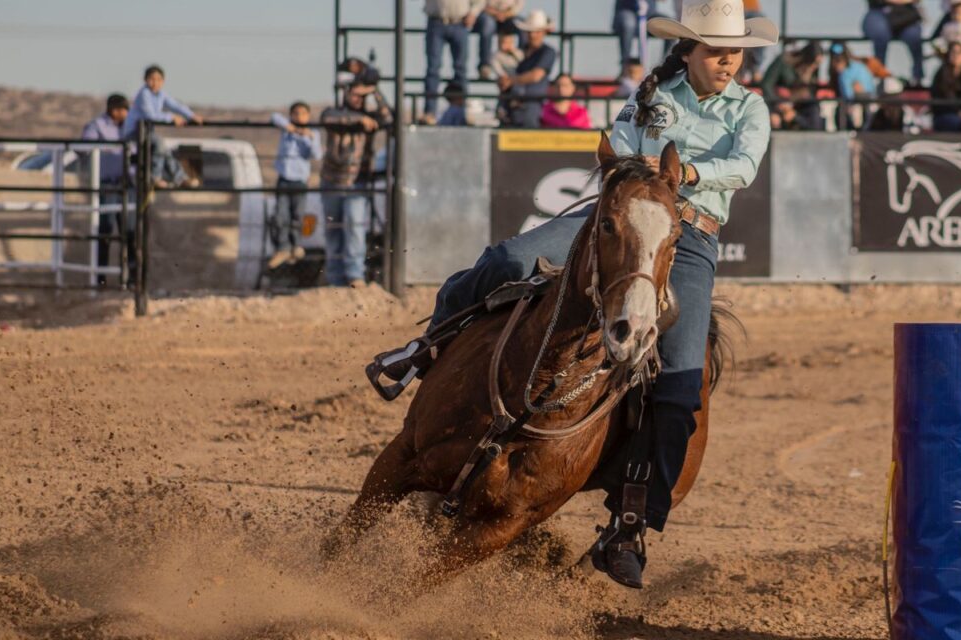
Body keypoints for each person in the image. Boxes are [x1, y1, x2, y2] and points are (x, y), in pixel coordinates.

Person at [369, 0, 777, 590]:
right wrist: (640, 176)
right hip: (619, 212)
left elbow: (743, 166)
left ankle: (630, 522)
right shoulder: (653, 93)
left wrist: (685, 175)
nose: (728, 61)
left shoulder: (750, 108)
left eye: (735, 51)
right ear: (688, 50)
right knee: (507, 259)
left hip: (687, 238)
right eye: (716, 50)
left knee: (682, 380)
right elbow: (616, 143)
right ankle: (426, 347)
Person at [319, 82, 392, 288]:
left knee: (354, 227)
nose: (357, 99)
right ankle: (335, 278)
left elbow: (388, 118)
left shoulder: (373, 117)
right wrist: (361, 119)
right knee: (333, 228)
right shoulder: (335, 114)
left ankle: (354, 275)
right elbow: (328, 118)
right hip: (333, 180)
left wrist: (374, 91)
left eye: (362, 96)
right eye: (354, 94)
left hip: (358, 182)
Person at [121, 65, 202, 189]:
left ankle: (180, 178)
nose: (155, 83)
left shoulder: (161, 95)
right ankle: (155, 177)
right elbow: (151, 115)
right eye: (152, 79)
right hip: (134, 131)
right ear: (145, 80)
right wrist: (171, 117)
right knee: (159, 143)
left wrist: (191, 116)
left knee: (164, 150)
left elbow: (176, 105)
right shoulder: (144, 94)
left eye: (158, 80)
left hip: (146, 131)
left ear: (163, 81)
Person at [268, 102, 323, 269]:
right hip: (284, 178)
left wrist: (308, 137)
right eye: (296, 113)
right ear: (291, 115)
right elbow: (274, 117)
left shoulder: (312, 133)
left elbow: (317, 154)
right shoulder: (287, 130)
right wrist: (290, 127)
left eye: (303, 114)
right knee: (280, 215)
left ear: (308, 116)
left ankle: (296, 246)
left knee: (297, 215)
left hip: (300, 180)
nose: (299, 117)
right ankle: (283, 247)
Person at [82, 94, 131, 282]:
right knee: (105, 230)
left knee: (130, 233)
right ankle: (100, 278)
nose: (124, 113)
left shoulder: (131, 126)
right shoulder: (97, 126)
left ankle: (130, 280)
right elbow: (84, 147)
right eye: (121, 109)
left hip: (128, 184)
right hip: (109, 185)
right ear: (113, 110)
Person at [422, 0, 484, 125]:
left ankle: (461, 113)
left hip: (459, 22)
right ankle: (430, 112)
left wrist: (473, 13)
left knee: (460, 69)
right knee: (433, 69)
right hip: (436, 20)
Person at [498, 10, 557, 128]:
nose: (532, 35)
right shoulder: (520, 50)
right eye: (530, 31)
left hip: (531, 106)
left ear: (544, 32)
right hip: (511, 104)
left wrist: (510, 80)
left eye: (536, 32)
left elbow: (536, 75)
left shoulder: (548, 52)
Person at [761, 42, 825, 131]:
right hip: (778, 103)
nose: (815, 66)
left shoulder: (812, 70)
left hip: (799, 106)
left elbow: (810, 91)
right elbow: (767, 85)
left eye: (818, 64)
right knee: (775, 121)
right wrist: (777, 105)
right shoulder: (784, 61)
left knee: (814, 114)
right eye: (814, 62)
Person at [863, 0, 926, 83]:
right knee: (880, 33)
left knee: (913, 35)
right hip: (878, 10)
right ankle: (880, 78)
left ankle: (918, 79)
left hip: (905, 13)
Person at [831, 41, 879, 130]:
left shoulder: (845, 74)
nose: (834, 66)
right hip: (867, 100)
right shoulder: (859, 66)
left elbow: (848, 94)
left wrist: (849, 104)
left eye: (835, 62)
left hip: (859, 100)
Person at [475, 0, 523, 80]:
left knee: (523, 26)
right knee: (487, 27)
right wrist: (495, 13)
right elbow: (479, 4)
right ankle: (485, 65)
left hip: (509, 14)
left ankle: (523, 62)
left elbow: (519, 5)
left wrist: (506, 14)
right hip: (488, 14)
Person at [613, 0, 669, 66]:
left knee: (671, 26)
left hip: (649, 13)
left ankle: (665, 67)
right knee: (628, 24)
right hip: (628, 10)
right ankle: (625, 68)